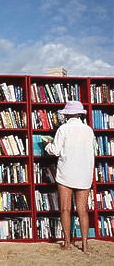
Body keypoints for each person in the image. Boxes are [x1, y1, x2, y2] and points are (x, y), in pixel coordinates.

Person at [43, 100, 95, 252]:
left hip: (66, 171)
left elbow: (56, 150)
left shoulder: (63, 129)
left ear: (66, 115)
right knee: (82, 210)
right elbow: (93, 149)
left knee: (65, 209)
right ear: (79, 114)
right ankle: (85, 244)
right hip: (84, 172)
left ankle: (67, 242)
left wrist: (47, 146)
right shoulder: (88, 130)